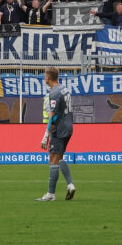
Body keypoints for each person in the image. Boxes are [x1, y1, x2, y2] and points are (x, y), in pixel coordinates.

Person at [37, 66, 75, 202]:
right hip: (68, 127)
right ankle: (70, 185)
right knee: (59, 158)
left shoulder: (54, 93)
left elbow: (53, 117)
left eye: (45, 75)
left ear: (48, 77)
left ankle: (51, 194)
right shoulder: (64, 89)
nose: (44, 77)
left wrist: (45, 135)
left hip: (59, 129)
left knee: (52, 159)